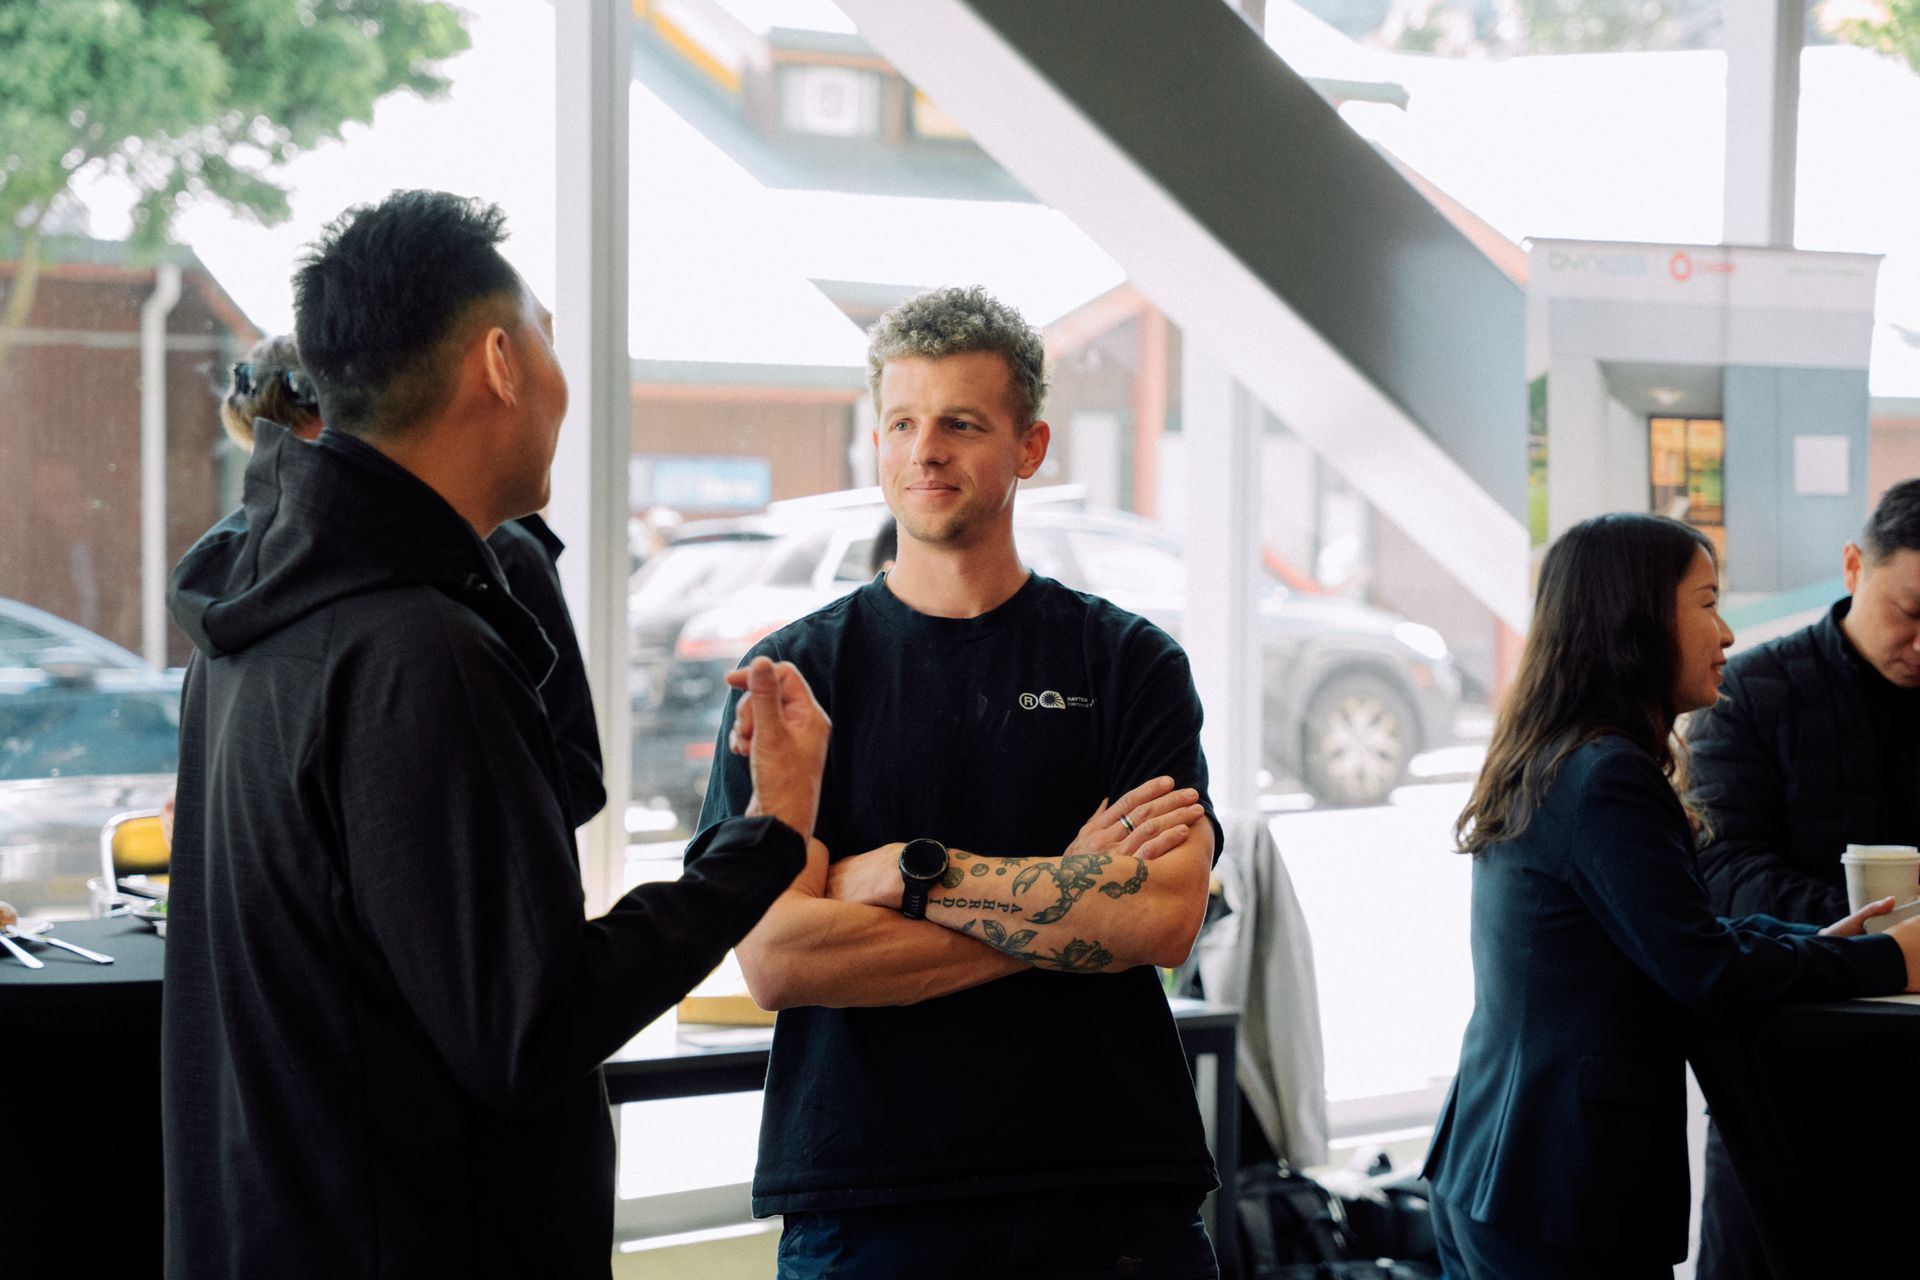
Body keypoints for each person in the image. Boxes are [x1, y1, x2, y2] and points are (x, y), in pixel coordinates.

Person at [162, 190, 823, 1279]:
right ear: (502, 363)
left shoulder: (249, 613)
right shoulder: (421, 649)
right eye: (552, 338)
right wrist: (768, 832)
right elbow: (528, 1026)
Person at [696, 285, 1224, 1279]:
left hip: (1108, 1194)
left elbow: (1157, 918)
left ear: (1029, 446)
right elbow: (777, 956)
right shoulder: (792, 680)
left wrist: (907, 870)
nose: (925, 449)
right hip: (869, 1199)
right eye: (902, 421)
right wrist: (1067, 912)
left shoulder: (1127, 664)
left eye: (962, 423)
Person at [1420, 512, 1920, 1280]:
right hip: (1560, 1185)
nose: (1726, 634)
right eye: (1707, 602)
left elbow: (1681, 930)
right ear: (1636, 620)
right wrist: (1889, 960)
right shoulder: (1608, 776)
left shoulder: (1564, 756)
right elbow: (1703, 969)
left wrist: (1824, 944)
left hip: (1504, 1164)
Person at [219, 333, 605, 827]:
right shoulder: (258, 574)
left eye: (311, 461)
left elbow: (575, 772)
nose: (299, 494)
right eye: (272, 466)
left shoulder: (501, 556)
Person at [1687, 477, 1920, 1278]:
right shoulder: (1749, 693)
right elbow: (1721, 875)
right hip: (1787, 1090)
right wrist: (1892, 940)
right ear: (1854, 566)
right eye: (1911, 613)